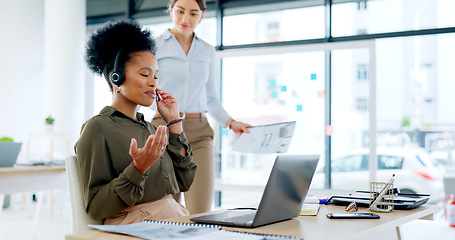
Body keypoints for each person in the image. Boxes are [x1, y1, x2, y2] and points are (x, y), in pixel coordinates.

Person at [75, 19, 197, 225]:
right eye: (144, 74)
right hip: (136, 224)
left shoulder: (150, 127)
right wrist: (138, 168)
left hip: (171, 218)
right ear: (117, 78)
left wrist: (174, 122)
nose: (153, 82)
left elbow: (184, 182)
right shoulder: (97, 128)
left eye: (156, 76)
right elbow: (96, 207)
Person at [152, 0, 251, 214]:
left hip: (199, 131)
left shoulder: (207, 50)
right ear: (171, 11)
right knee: (167, 211)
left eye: (193, 13)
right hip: (164, 128)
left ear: (201, 17)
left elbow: (211, 98)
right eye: (180, 11)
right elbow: (147, 90)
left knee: (201, 213)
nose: (185, 19)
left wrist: (231, 122)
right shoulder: (154, 45)